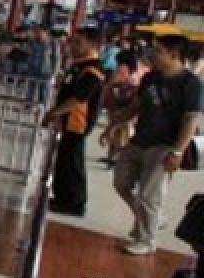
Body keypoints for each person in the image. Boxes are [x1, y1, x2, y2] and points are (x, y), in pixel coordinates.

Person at [107, 35, 202, 255]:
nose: (152, 54)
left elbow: (190, 120)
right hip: (139, 140)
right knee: (121, 182)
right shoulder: (151, 77)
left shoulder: (191, 84)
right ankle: (152, 219)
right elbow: (138, 105)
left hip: (165, 145)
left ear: (174, 55)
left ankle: (147, 240)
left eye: (158, 51)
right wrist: (115, 123)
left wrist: (177, 151)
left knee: (149, 195)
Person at [42, 29, 106, 217]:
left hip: (78, 122)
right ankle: (62, 198)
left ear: (92, 45)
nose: (73, 46)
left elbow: (79, 98)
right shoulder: (78, 66)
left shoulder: (93, 70)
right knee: (63, 160)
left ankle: (75, 203)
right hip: (67, 121)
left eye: (79, 42)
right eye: (73, 42)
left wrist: (54, 113)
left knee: (72, 162)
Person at [98, 50, 143, 168]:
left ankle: (115, 158)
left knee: (119, 132)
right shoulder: (135, 71)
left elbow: (114, 82)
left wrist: (108, 85)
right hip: (126, 104)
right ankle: (112, 157)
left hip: (121, 104)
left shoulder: (122, 68)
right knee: (120, 131)